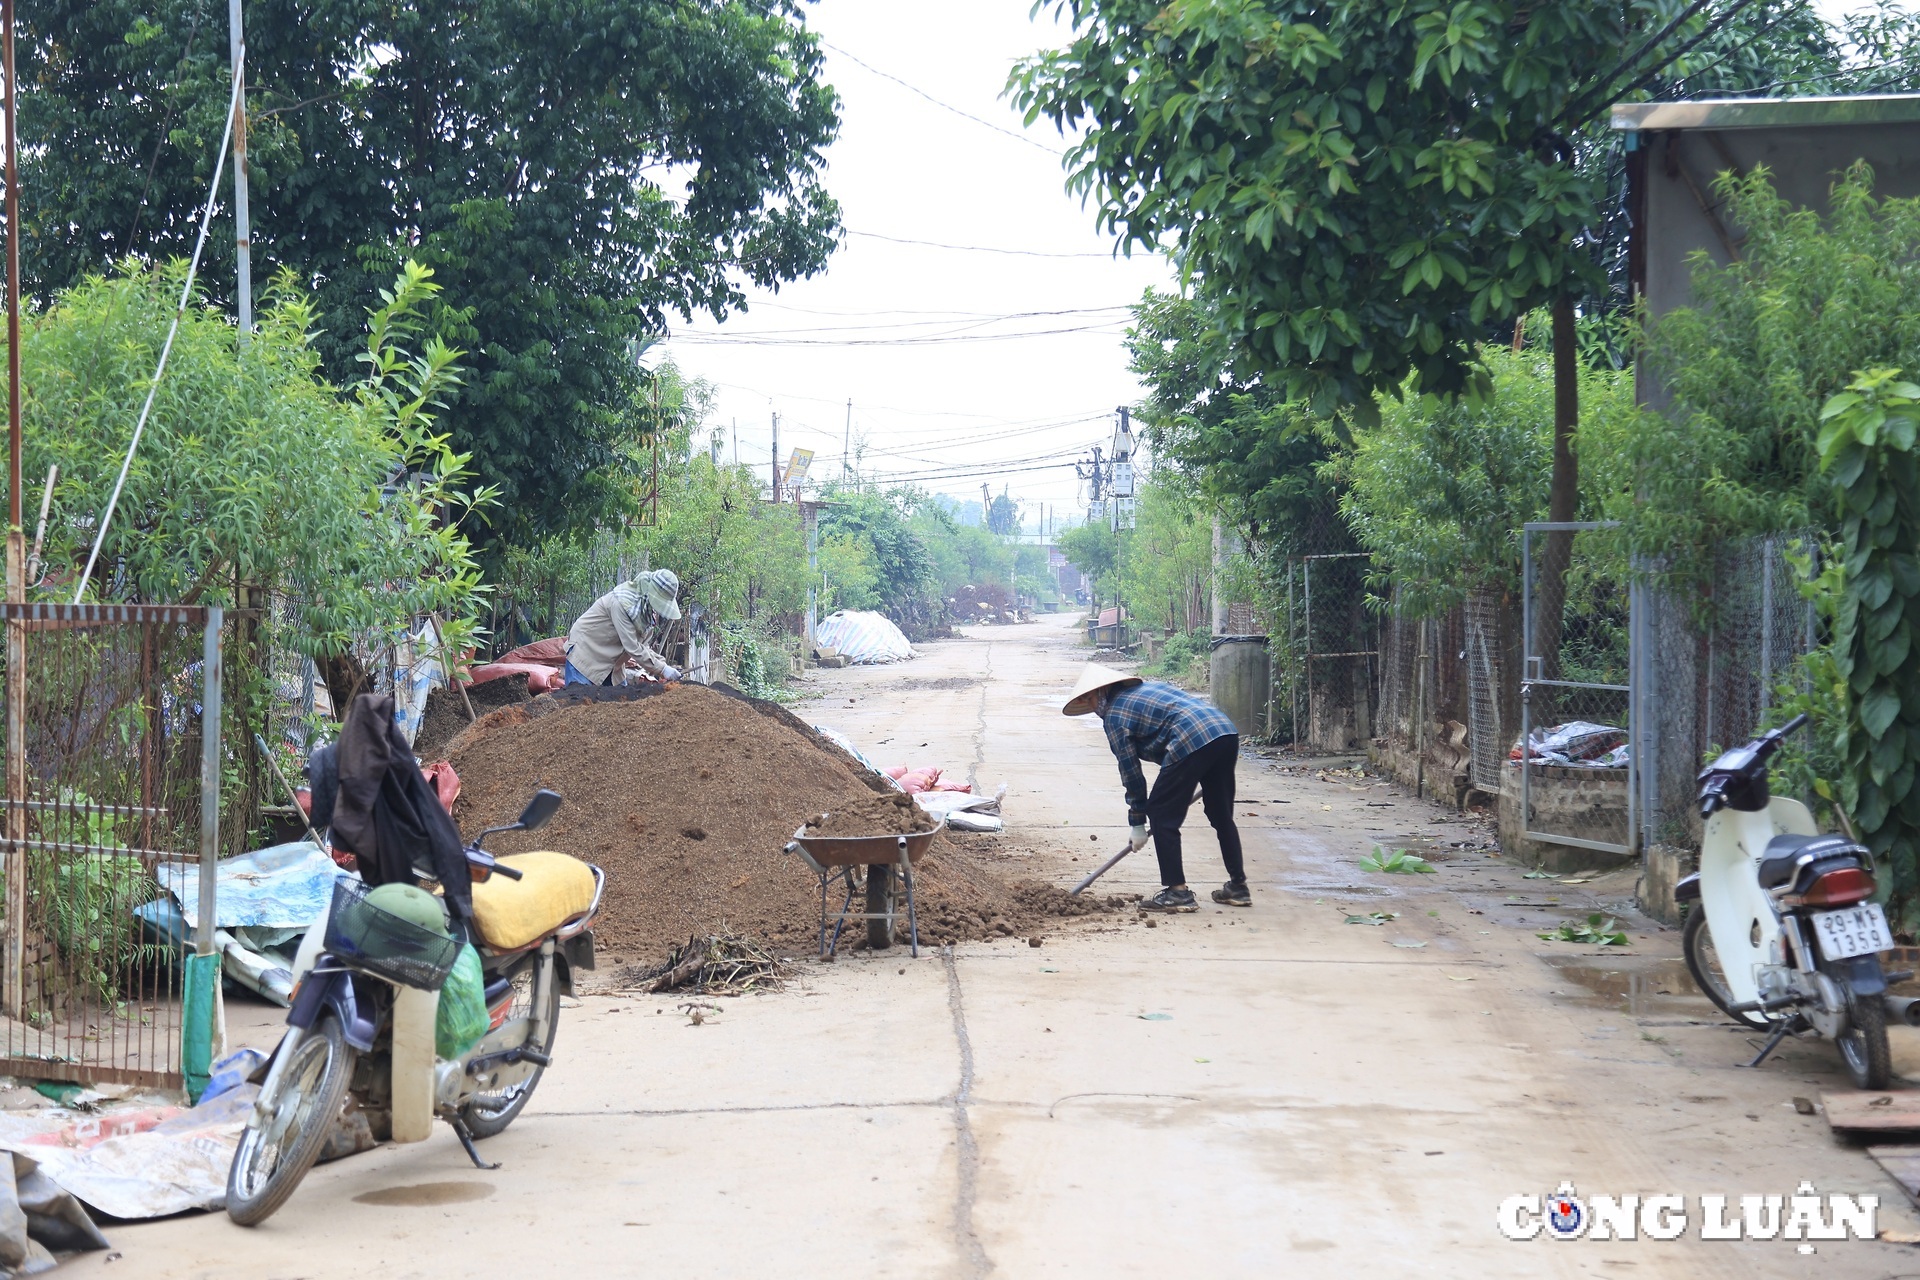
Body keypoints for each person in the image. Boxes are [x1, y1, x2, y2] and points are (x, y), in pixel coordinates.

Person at [1063, 663, 1246, 912]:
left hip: (1191, 737)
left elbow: (1131, 773)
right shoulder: (1149, 689)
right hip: (1224, 733)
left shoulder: (1115, 717)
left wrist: (1138, 820)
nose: (1092, 707)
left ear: (1101, 692)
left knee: (1160, 812)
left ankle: (1177, 892)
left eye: (1090, 699)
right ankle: (1238, 887)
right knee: (1221, 815)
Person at [564, 570, 684, 686]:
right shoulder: (622, 604)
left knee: (622, 703)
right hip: (586, 654)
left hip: (611, 664)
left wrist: (662, 664)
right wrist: (662, 669)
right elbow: (633, 647)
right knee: (581, 703)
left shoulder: (646, 613)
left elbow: (643, 647)